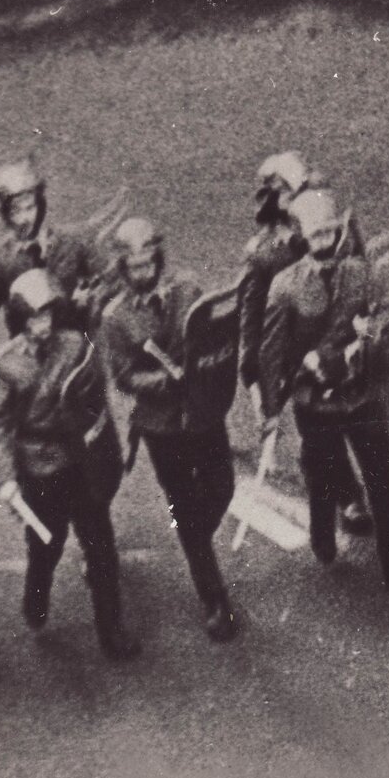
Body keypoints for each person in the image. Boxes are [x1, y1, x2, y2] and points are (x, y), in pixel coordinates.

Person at [260, 190, 389, 597]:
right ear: (301, 237)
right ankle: (321, 531)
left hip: (360, 393)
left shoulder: (358, 272)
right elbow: (272, 352)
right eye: (315, 235)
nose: (324, 241)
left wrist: (373, 332)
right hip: (315, 403)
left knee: (383, 478)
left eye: (330, 232)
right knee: (322, 472)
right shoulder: (285, 287)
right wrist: (272, 405)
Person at [0, 269, 140, 659]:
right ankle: (36, 600)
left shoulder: (73, 346)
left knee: (101, 548)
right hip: (40, 471)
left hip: (82, 462)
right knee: (45, 548)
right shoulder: (5, 367)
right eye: (34, 318)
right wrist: (5, 473)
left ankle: (111, 630)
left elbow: (93, 396)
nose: (43, 326)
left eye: (48, 316)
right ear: (18, 320)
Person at [100, 219, 243, 642]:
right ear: (123, 269)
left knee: (222, 488)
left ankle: (195, 538)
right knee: (181, 501)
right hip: (160, 425)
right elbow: (123, 376)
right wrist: (163, 382)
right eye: (135, 267)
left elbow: (212, 334)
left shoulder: (188, 291)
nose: (144, 273)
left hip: (202, 411)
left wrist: (203, 370)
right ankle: (214, 596)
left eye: (149, 263)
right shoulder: (116, 317)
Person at [237, 152, 373, 537]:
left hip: (341, 343)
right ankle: (348, 496)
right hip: (301, 361)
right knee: (321, 434)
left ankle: (338, 486)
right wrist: (254, 372)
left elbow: (359, 267)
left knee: (353, 421)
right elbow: (252, 315)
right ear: (280, 201)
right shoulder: (264, 253)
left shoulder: (331, 229)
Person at [0, 160, 106, 368]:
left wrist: (91, 297)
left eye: (30, 207)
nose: (26, 218)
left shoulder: (73, 242)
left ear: (40, 205)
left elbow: (110, 283)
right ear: (6, 214)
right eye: (16, 211)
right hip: (32, 361)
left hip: (82, 358)